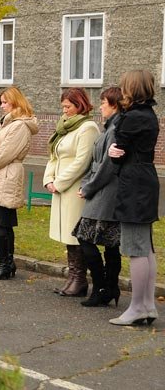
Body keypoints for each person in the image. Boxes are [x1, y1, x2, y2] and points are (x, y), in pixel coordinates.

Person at [107, 70, 159, 326]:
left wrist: (112, 151)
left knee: (135, 248)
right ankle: (147, 304)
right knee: (146, 247)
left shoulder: (132, 117)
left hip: (134, 182)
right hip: (146, 178)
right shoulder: (149, 114)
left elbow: (119, 149)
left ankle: (138, 306)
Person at [44, 88, 99, 295]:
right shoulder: (64, 127)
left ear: (79, 105)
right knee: (67, 235)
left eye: (68, 106)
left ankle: (80, 279)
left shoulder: (87, 127)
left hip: (74, 188)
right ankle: (73, 278)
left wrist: (60, 183)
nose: (64, 111)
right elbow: (54, 155)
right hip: (60, 187)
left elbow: (82, 161)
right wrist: (49, 179)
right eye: (63, 107)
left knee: (75, 234)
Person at [0, 87, 39, 279]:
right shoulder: (8, 123)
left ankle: (5, 264)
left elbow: (5, 153)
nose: (2, 106)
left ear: (15, 102)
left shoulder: (19, 125)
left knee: (1, 221)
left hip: (7, 174)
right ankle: (7, 262)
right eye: (1, 102)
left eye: (5, 102)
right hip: (2, 173)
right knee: (0, 221)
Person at [73, 87, 123, 307]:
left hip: (106, 193)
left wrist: (88, 188)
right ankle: (109, 287)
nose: (100, 106)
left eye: (103, 102)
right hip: (105, 192)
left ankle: (103, 286)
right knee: (111, 243)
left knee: (85, 236)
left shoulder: (114, 130)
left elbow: (107, 166)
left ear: (114, 104)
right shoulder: (111, 127)